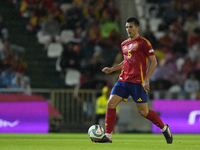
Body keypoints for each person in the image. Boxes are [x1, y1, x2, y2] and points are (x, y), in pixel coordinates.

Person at [93, 17, 173, 144]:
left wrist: (146, 79)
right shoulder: (123, 44)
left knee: (143, 112)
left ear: (137, 27)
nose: (128, 29)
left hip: (138, 83)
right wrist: (113, 69)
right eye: (126, 27)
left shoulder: (144, 43)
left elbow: (154, 62)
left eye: (131, 27)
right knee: (111, 103)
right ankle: (108, 136)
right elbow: (126, 61)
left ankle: (164, 128)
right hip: (123, 80)